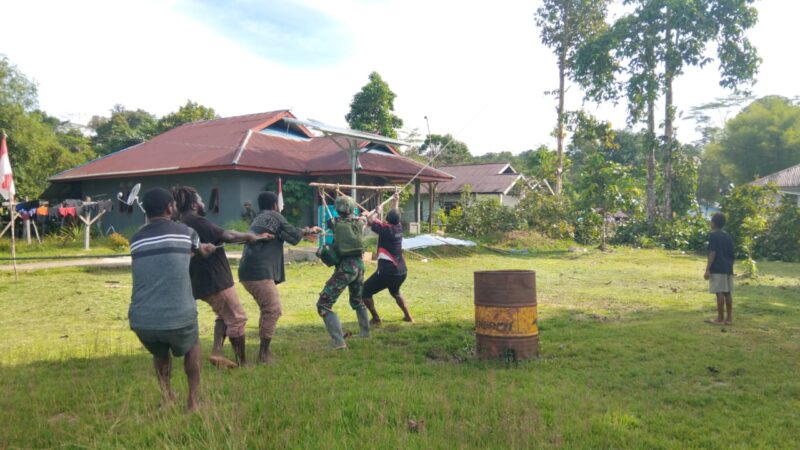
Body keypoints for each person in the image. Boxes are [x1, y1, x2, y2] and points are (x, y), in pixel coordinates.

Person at [128, 187, 216, 411]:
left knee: (160, 350)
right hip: (179, 318)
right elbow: (196, 250)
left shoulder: (135, 239)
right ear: (169, 207)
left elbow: (165, 255)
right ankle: (193, 402)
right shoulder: (186, 232)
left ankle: (167, 397)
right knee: (192, 345)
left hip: (142, 321)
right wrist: (204, 249)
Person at [174, 186, 272, 368]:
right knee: (237, 318)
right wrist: (249, 236)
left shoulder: (181, 223)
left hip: (199, 281)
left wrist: (255, 236)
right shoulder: (197, 221)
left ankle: (217, 353)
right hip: (215, 280)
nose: (204, 203)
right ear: (195, 204)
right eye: (201, 200)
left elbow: (222, 235)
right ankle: (242, 363)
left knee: (223, 315)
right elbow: (227, 235)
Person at [238, 191, 321, 363]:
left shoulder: (259, 218)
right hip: (259, 272)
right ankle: (263, 354)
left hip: (247, 270)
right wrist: (309, 230)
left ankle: (263, 351)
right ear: (275, 205)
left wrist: (304, 233)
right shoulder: (275, 216)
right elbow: (292, 233)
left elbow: (286, 235)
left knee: (267, 309)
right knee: (273, 309)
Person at [316, 195, 370, 349]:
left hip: (346, 268)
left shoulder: (334, 223)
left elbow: (333, 224)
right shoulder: (359, 223)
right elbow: (365, 218)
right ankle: (365, 333)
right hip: (359, 266)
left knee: (323, 304)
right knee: (357, 300)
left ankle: (338, 342)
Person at [362, 208, 412, 324]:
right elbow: (385, 220)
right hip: (401, 271)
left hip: (388, 272)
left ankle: (376, 318)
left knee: (364, 291)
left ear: (387, 219)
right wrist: (395, 201)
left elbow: (370, 220)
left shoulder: (385, 230)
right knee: (395, 292)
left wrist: (376, 211)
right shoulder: (399, 227)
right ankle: (408, 316)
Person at [704, 212, 735, 325]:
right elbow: (732, 253)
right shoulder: (727, 236)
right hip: (728, 267)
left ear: (714, 223)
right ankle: (729, 318)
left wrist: (707, 269)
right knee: (728, 292)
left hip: (718, 267)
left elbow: (712, 253)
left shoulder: (713, 236)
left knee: (719, 292)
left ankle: (720, 318)